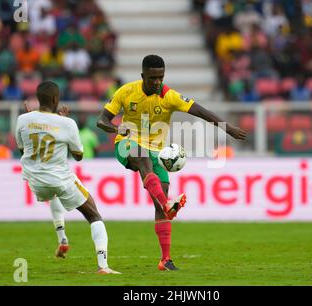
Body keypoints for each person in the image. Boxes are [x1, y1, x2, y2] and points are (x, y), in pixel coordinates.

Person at [97, 55, 247, 271]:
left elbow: (201, 111)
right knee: (143, 158)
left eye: (161, 77)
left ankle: (165, 259)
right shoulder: (126, 92)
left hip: (157, 151)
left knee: (160, 201)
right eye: (152, 78)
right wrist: (117, 128)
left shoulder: (170, 96)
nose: (158, 82)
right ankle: (168, 204)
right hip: (127, 144)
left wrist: (227, 127)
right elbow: (101, 121)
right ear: (143, 76)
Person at [16, 81, 120, 274]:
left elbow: (22, 148)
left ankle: (62, 238)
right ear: (56, 99)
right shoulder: (67, 123)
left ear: (38, 98)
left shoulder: (23, 119)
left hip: (34, 182)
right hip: (60, 178)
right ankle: (103, 266)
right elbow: (79, 156)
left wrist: (40, 125)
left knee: (52, 194)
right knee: (94, 215)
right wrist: (62, 126)